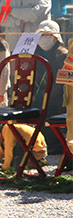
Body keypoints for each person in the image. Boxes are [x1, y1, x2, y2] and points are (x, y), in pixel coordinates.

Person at [34, 20, 68, 155]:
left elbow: (62, 81)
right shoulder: (36, 53)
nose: (44, 39)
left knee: (49, 110)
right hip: (40, 93)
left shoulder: (63, 54)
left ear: (56, 37)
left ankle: (56, 144)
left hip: (56, 96)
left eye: (48, 35)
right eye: (41, 35)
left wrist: (46, 95)